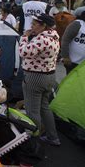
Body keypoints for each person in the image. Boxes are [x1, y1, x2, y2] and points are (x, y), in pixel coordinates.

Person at [19, 14, 61, 146]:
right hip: (49, 75)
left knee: (32, 110)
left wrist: (24, 37)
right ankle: (52, 137)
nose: (32, 26)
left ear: (43, 26)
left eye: (35, 24)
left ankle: (33, 139)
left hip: (35, 76)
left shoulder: (42, 39)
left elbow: (23, 52)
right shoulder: (54, 36)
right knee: (44, 108)